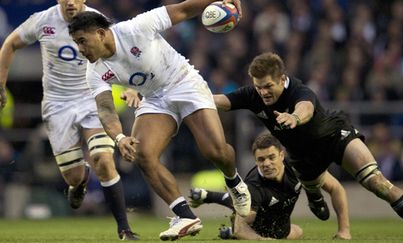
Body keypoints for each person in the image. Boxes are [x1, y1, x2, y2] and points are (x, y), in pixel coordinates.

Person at [67, 0, 251, 241]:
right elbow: (105, 109)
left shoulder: (136, 28)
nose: (79, 49)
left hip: (183, 82)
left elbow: (184, 9)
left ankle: (234, 182)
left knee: (214, 150)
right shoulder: (94, 71)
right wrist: (120, 137)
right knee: (142, 154)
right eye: (76, 43)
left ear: (100, 34)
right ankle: (185, 215)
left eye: (82, 41)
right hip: (154, 98)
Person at [214, 52, 403, 238]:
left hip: (334, 138)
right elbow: (220, 101)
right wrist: (189, 95)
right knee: (319, 208)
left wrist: (295, 119)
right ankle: (314, 194)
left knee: (378, 184)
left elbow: (306, 107)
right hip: (303, 156)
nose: (263, 92)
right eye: (258, 87)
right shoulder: (253, 95)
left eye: (268, 86)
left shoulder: (299, 90)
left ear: (282, 79)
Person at [0, 0, 137, 240]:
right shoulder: (42, 21)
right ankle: (79, 181)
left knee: (104, 161)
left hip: (91, 98)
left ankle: (124, 228)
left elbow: (120, 53)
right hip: (57, 106)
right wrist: (1, 85)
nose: (71, 2)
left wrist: (132, 85)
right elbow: (10, 43)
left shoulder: (98, 21)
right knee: (72, 176)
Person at [189, 133, 352, 240]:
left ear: (282, 155)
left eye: (271, 157)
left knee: (297, 230)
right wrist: (261, 240)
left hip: (282, 220)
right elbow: (241, 228)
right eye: (261, 160)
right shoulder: (253, 185)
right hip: (262, 225)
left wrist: (344, 230)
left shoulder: (299, 165)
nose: (266, 163)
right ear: (255, 160)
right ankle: (218, 207)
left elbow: (336, 188)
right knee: (249, 215)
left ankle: (312, 190)